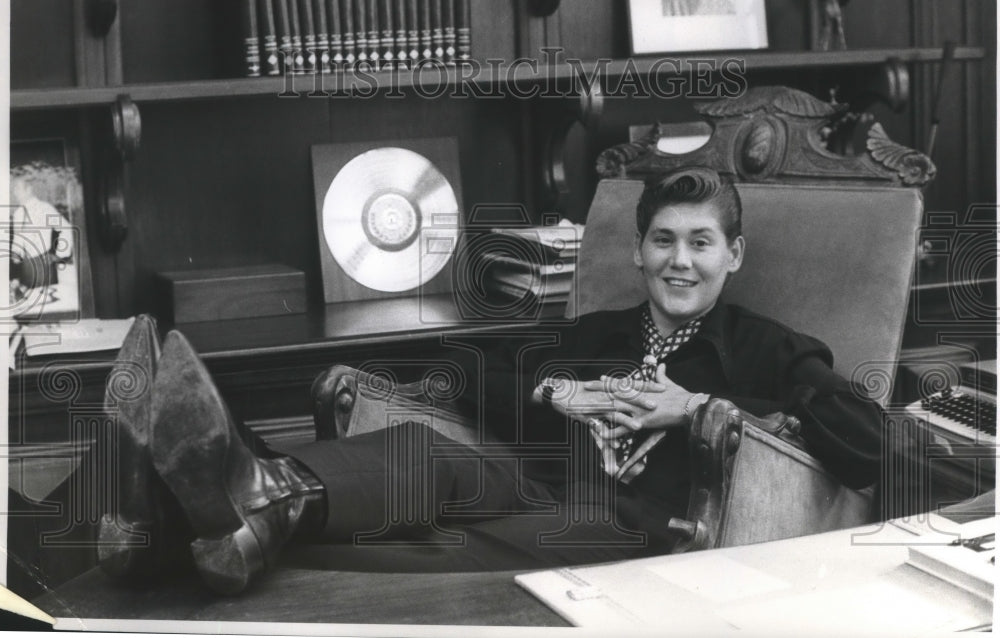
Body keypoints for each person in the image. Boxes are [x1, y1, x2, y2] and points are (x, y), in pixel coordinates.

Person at [98, 167, 884, 596]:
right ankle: (257, 492)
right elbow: (474, 372)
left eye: (701, 243)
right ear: (638, 251)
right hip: (536, 486)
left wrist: (699, 406)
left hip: (640, 531)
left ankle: (178, 534)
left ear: (733, 255)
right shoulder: (601, 334)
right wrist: (556, 391)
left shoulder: (766, 347)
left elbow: (870, 444)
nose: (680, 261)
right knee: (421, 452)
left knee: (426, 543)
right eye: (663, 240)